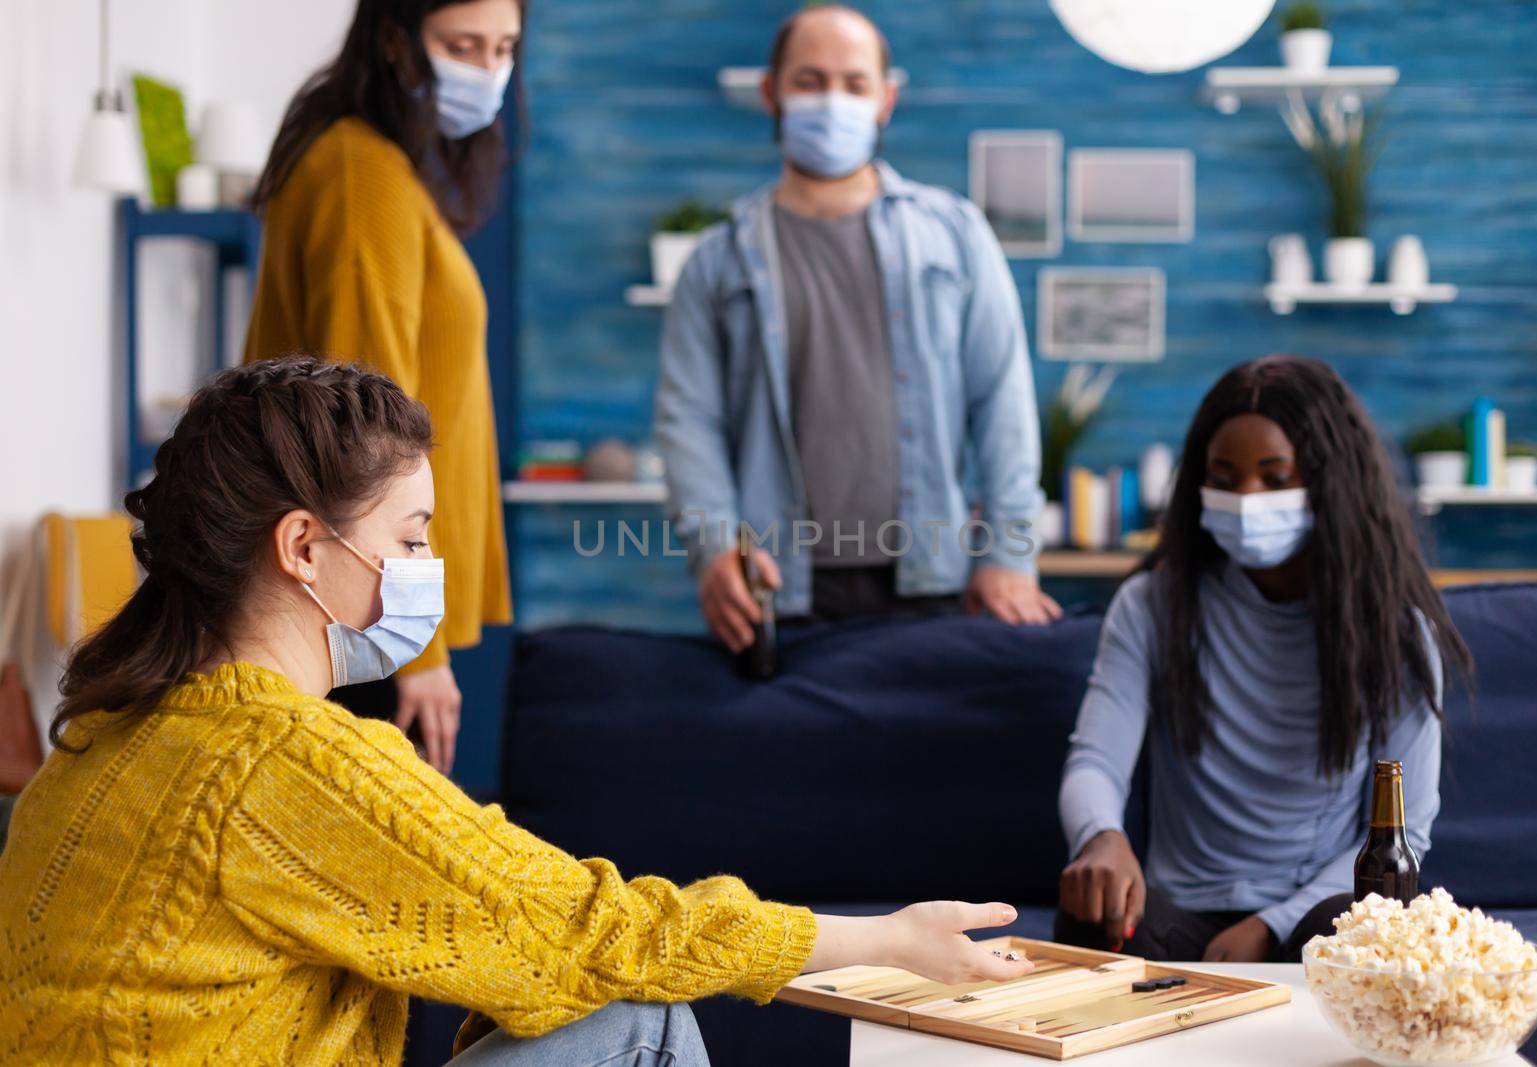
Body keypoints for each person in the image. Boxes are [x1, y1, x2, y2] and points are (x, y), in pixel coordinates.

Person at [0, 359, 1034, 1066]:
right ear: (304, 548)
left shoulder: (99, 739)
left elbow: (513, 929)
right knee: (639, 1006)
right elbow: (597, 929)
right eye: (409, 540)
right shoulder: (282, 757)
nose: (423, 569)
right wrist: (883, 938)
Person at [654, 5, 1058, 655]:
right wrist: (714, 548)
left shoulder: (955, 235)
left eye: (854, 83)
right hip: (777, 589)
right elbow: (688, 421)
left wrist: (1010, 552)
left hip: (935, 581)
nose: (832, 101)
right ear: (771, 93)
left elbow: (1002, 399)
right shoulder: (716, 260)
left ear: (886, 100)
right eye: (810, 81)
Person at [1054, 356, 1472, 963]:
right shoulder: (1151, 606)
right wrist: (1100, 838)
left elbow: (1402, 834)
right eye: (1223, 478)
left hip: (1317, 920)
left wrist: (1269, 926)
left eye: (1274, 479)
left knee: (1363, 925)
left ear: (1331, 484)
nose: (1244, 499)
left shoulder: (1398, 633)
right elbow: (1095, 760)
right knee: (1086, 908)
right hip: (1174, 919)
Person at [243, 0, 522, 774]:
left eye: (504, 47)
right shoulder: (362, 173)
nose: (489, 69)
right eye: (463, 44)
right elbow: (363, 430)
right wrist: (414, 646)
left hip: (364, 611)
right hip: (367, 620)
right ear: (396, 41)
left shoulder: (371, 165)